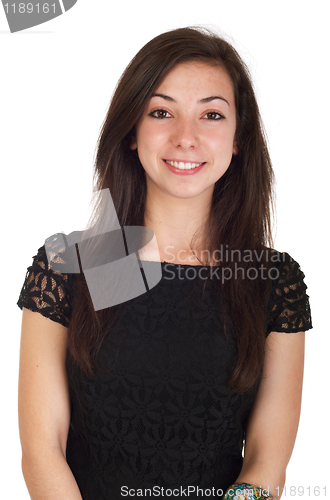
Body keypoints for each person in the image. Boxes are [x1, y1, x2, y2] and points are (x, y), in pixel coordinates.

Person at [17, 27, 312, 500]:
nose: (186, 138)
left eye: (211, 115)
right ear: (132, 132)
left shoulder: (275, 283)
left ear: (239, 139)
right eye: (161, 112)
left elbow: (266, 462)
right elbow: (41, 450)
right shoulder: (68, 265)